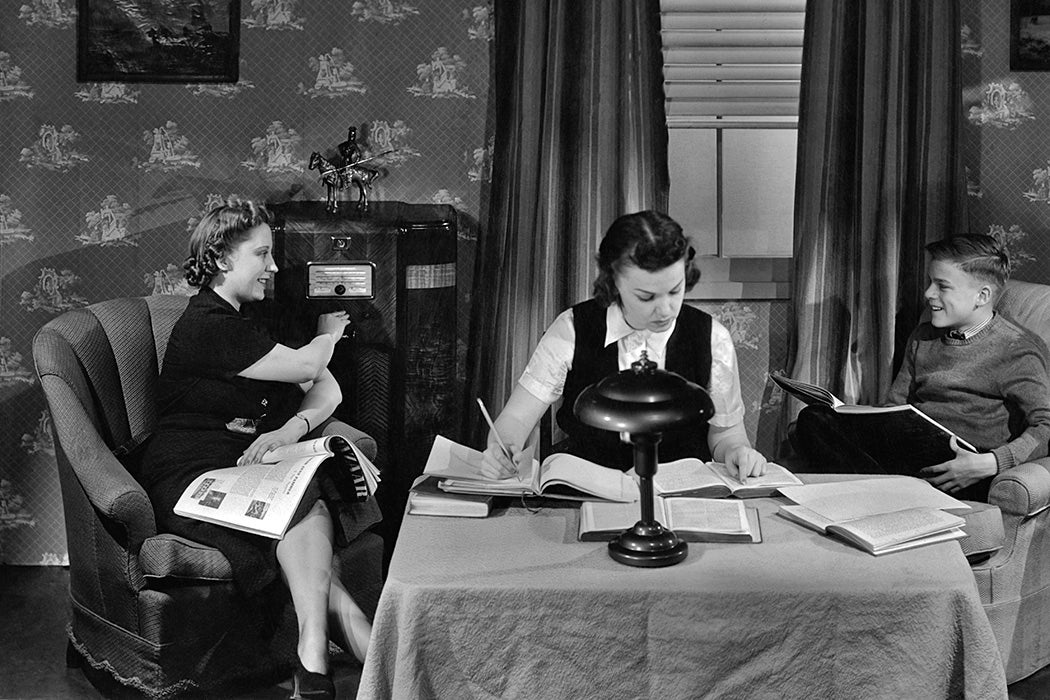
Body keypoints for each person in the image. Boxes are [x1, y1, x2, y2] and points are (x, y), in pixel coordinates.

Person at [139, 199, 379, 699]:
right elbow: (310, 369)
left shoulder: (248, 321)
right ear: (223, 259)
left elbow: (328, 392)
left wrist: (291, 430)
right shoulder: (209, 324)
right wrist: (328, 335)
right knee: (296, 510)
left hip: (240, 467)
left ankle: (328, 660)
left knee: (303, 493)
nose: (273, 267)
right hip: (188, 473)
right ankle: (370, 659)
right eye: (262, 254)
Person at [479, 210, 768, 481]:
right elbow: (515, 419)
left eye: (675, 290)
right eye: (646, 297)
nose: (666, 309)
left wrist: (737, 452)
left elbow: (727, 435)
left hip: (681, 498)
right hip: (588, 493)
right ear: (613, 281)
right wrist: (503, 450)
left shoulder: (712, 338)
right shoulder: (571, 329)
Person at [793, 234, 1050, 501]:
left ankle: (873, 495)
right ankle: (879, 495)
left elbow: (1045, 426)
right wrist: (854, 415)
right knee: (814, 419)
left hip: (961, 469)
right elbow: (895, 405)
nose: (928, 294)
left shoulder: (1018, 349)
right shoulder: (923, 337)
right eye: (930, 282)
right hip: (909, 451)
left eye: (942, 286)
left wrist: (990, 463)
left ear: (982, 296)